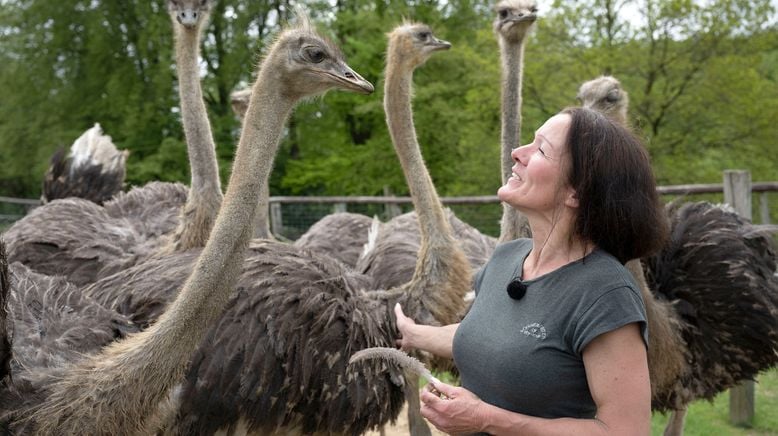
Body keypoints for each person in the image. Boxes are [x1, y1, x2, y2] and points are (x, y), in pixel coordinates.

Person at [394, 107, 669, 435]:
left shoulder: (605, 293)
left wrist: (487, 419)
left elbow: (626, 431)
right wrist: (413, 334)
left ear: (575, 192)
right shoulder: (507, 259)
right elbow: (495, 334)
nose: (517, 153)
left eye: (540, 149)